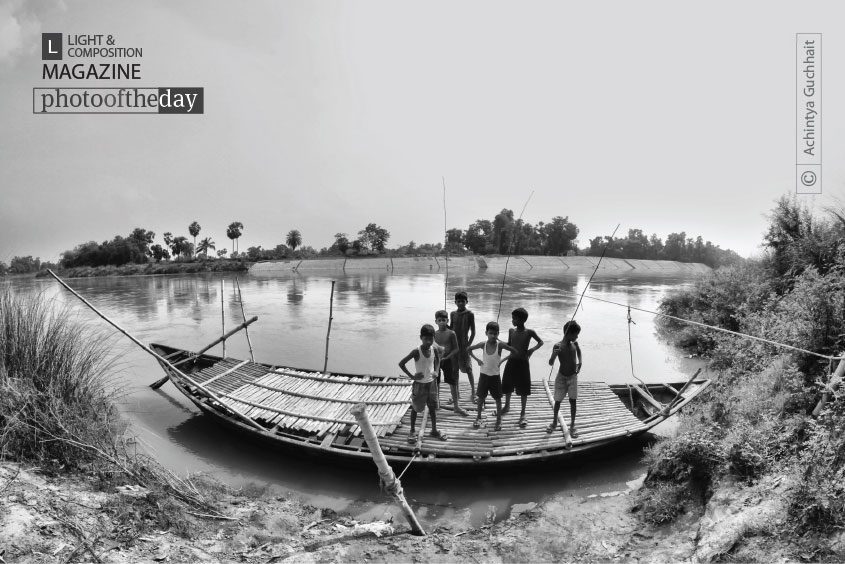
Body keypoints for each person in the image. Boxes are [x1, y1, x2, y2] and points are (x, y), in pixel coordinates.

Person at [398, 324, 447, 442]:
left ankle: (434, 430)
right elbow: (401, 363)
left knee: (432, 408)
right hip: (419, 385)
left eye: (431, 339)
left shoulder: (434, 349)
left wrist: (436, 371)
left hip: (432, 384)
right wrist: (412, 376)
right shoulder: (416, 351)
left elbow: (438, 359)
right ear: (421, 338)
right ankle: (412, 431)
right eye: (426, 339)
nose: (429, 342)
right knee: (415, 408)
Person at [468, 321, 517, 431]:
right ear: (486, 333)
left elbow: (514, 351)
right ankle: (479, 417)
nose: (493, 336)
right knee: (480, 398)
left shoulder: (500, 345)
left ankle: (499, 419)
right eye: (491, 333)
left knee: (498, 399)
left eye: (495, 334)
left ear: (498, 334)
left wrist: (503, 360)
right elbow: (468, 349)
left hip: (495, 377)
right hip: (483, 376)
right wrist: (477, 360)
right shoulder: (482, 344)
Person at [501, 307, 544, 428]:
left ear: (522, 320)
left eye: (514, 318)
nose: (512, 320)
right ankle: (506, 406)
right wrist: (500, 343)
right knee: (507, 385)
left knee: (523, 388)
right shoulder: (511, 331)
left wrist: (532, 350)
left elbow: (541, 342)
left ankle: (523, 413)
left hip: (523, 363)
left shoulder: (529, 332)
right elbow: (510, 344)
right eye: (512, 318)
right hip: (511, 361)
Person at [547, 320, 582, 437]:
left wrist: (580, 362)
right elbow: (550, 363)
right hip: (561, 377)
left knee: (573, 401)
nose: (577, 337)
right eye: (576, 334)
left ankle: (572, 425)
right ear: (569, 333)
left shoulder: (574, 344)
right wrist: (554, 354)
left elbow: (579, 352)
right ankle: (554, 422)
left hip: (573, 377)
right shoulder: (558, 346)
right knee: (557, 401)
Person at [435, 309, 468, 416]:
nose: (441, 322)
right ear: (436, 321)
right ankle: (437, 403)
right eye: (439, 320)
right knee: (436, 382)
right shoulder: (434, 334)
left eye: (443, 320)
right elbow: (432, 347)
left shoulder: (451, 333)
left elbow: (456, 349)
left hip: (448, 360)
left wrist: (447, 357)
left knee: (452, 382)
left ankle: (456, 406)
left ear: (447, 320)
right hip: (437, 361)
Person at [450, 291, 477, 403]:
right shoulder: (452, 314)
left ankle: (473, 392)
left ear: (466, 302)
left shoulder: (470, 314)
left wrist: (469, 345)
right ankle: (457, 393)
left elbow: (473, 332)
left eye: (463, 301)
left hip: (464, 346)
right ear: (455, 302)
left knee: (469, 369)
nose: (461, 303)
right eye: (458, 301)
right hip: (454, 346)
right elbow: (451, 329)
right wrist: (443, 325)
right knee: (455, 370)